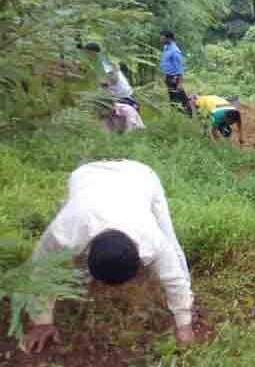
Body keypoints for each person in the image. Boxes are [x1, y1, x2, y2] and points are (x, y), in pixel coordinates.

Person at [22, 160, 194, 353]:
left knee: (171, 240)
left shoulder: (154, 240)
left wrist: (184, 323)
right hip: (86, 176)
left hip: (140, 176)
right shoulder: (64, 231)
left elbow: (174, 278)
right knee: (67, 247)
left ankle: (190, 302)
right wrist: (42, 322)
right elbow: (41, 269)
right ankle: (83, 284)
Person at [82, 43, 145, 133]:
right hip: (114, 94)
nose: (86, 55)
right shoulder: (98, 63)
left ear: (93, 52)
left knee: (118, 113)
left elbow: (114, 78)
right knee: (108, 114)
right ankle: (113, 132)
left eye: (87, 53)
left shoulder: (104, 62)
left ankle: (127, 131)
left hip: (121, 94)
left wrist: (104, 85)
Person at [159, 30, 191, 116]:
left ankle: (189, 115)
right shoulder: (166, 48)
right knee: (173, 97)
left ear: (168, 38)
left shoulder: (175, 51)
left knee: (180, 97)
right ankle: (176, 115)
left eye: (162, 37)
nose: (160, 39)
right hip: (169, 77)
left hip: (175, 78)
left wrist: (180, 82)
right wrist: (165, 75)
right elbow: (166, 64)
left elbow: (179, 67)